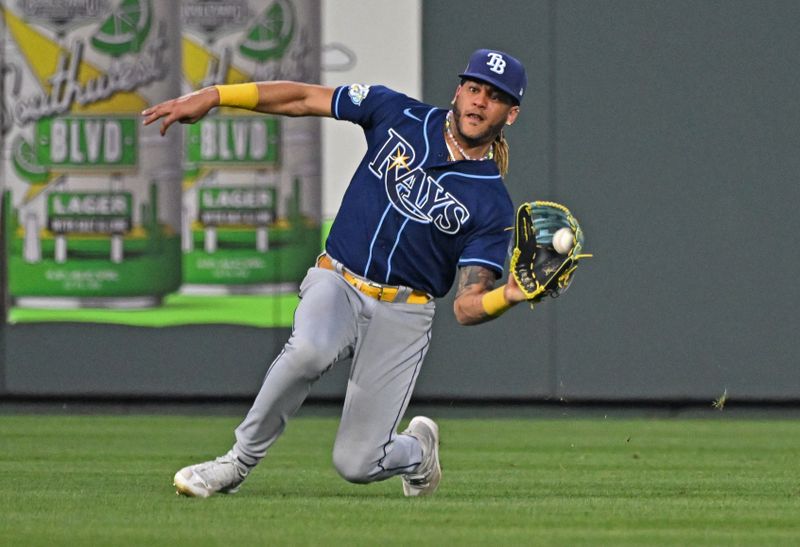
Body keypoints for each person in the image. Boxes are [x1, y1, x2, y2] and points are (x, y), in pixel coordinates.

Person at [142, 48, 529, 498]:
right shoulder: (397, 113)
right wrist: (215, 95)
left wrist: (509, 296)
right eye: (474, 88)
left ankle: (418, 451)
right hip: (339, 279)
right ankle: (234, 464)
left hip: (404, 313)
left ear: (511, 114)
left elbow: (465, 306)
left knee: (358, 463)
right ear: (458, 90)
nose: (480, 101)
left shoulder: (492, 204)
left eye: (495, 96)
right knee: (308, 350)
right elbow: (303, 98)